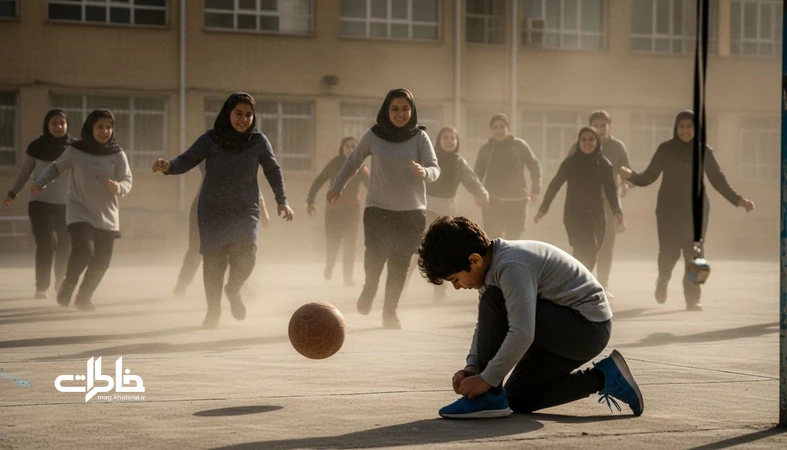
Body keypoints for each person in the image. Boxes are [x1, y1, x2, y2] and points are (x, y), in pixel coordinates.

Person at [417, 216, 643, 419]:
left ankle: (487, 398)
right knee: (518, 398)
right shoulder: (493, 270)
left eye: (455, 279)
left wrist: (486, 381)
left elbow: (522, 332)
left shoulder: (511, 266)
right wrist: (473, 367)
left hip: (586, 329)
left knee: (494, 301)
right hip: (562, 331)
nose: (457, 287)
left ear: (474, 260)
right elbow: (486, 326)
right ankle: (604, 377)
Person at [153, 92, 294, 328]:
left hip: (245, 210)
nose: (244, 119)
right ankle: (213, 312)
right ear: (227, 113)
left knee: (247, 258)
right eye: (238, 113)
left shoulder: (259, 141)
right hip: (212, 210)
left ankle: (234, 289)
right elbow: (187, 159)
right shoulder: (210, 139)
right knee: (214, 266)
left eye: (249, 115)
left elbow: (273, 170)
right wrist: (169, 166)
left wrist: (282, 200)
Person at [327, 88, 440, 329]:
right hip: (378, 208)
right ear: (386, 110)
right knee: (375, 254)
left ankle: (390, 312)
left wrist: (425, 172)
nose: (400, 114)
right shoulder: (373, 135)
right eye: (395, 109)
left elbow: (435, 168)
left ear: (412, 111)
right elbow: (353, 161)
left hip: (411, 211)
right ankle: (370, 286)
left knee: (399, 263)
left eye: (405, 109)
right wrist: (337, 186)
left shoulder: (420, 137)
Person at [620, 110, 755, 311]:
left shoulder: (704, 151)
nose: (685, 130)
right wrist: (631, 176)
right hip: (668, 209)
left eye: (689, 126)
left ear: (696, 129)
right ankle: (663, 279)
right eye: (681, 126)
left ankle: (692, 298)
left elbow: (718, 179)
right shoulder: (666, 149)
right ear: (676, 128)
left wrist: (737, 200)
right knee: (668, 252)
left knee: (695, 254)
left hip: (697, 210)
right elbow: (650, 176)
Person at [33, 109, 133, 311]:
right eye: (100, 126)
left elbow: (127, 179)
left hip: (107, 215)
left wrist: (119, 187)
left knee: (102, 261)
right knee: (84, 250)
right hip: (80, 212)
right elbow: (56, 167)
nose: (105, 131)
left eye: (108, 127)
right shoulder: (75, 150)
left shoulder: (117, 153)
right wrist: (41, 181)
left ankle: (84, 297)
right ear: (90, 128)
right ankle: (68, 285)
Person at [172, 162, 270, 298]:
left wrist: (262, 207)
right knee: (195, 250)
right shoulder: (209, 146)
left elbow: (250, 180)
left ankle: (239, 289)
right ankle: (181, 287)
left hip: (230, 212)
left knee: (234, 249)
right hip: (204, 209)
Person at [4, 110, 73, 298]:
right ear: (47, 125)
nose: (58, 127)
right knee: (47, 243)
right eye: (54, 123)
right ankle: (42, 286)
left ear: (67, 124)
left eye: (62, 123)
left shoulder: (75, 148)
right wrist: (13, 193)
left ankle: (61, 280)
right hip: (40, 204)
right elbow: (25, 172)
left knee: (66, 244)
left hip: (67, 205)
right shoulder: (36, 147)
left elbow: (86, 173)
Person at [536, 126, 622, 272]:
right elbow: (555, 185)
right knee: (581, 249)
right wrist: (544, 208)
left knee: (594, 249)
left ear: (597, 142)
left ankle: (581, 278)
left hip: (596, 215)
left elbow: (610, 190)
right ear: (578, 142)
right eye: (583, 139)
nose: (587, 143)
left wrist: (616, 210)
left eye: (591, 139)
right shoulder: (570, 163)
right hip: (574, 214)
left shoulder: (604, 164)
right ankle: (578, 282)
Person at [566, 111, 631, 297]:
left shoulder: (617, 147)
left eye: (603, 125)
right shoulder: (579, 145)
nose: (600, 129)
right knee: (582, 244)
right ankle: (580, 283)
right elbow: (567, 170)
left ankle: (603, 285)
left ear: (609, 126)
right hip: (583, 204)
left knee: (606, 244)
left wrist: (626, 184)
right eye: (597, 126)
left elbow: (627, 171)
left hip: (608, 204)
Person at [424, 126, 488, 300]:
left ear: (457, 142)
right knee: (421, 246)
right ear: (438, 140)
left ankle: (439, 288)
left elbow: (471, 179)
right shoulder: (430, 158)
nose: (449, 141)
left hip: (448, 207)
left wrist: (481, 193)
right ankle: (399, 287)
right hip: (427, 204)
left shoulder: (459, 162)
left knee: (442, 248)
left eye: (453, 138)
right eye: (445, 137)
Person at [306, 136, 369, 287]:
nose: (350, 149)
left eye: (354, 146)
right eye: (347, 146)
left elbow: (371, 187)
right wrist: (310, 200)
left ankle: (348, 276)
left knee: (350, 244)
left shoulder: (361, 167)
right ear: (342, 148)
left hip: (352, 211)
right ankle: (330, 265)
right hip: (333, 210)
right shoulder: (334, 163)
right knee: (333, 242)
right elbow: (319, 180)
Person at [473, 113, 541, 239]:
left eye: (502, 127)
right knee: (494, 239)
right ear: (491, 130)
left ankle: (511, 259)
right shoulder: (486, 149)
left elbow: (534, 166)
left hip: (517, 201)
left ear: (508, 128)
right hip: (492, 201)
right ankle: (496, 259)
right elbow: (477, 175)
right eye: (495, 127)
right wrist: (478, 194)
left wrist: (535, 190)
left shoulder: (519, 146)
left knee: (513, 240)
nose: (499, 130)